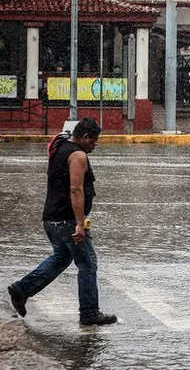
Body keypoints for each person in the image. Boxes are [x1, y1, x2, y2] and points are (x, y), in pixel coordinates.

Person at [7, 118, 117, 326]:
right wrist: (79, 223)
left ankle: (22, 289)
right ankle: (89, 313)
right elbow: (75, 190)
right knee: (88, 264)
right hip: (67, 220)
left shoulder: (61, 146)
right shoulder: (78, 155)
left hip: (51, 217)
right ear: (85, 137)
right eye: (94, 140)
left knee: (61, 258)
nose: (96, 144)